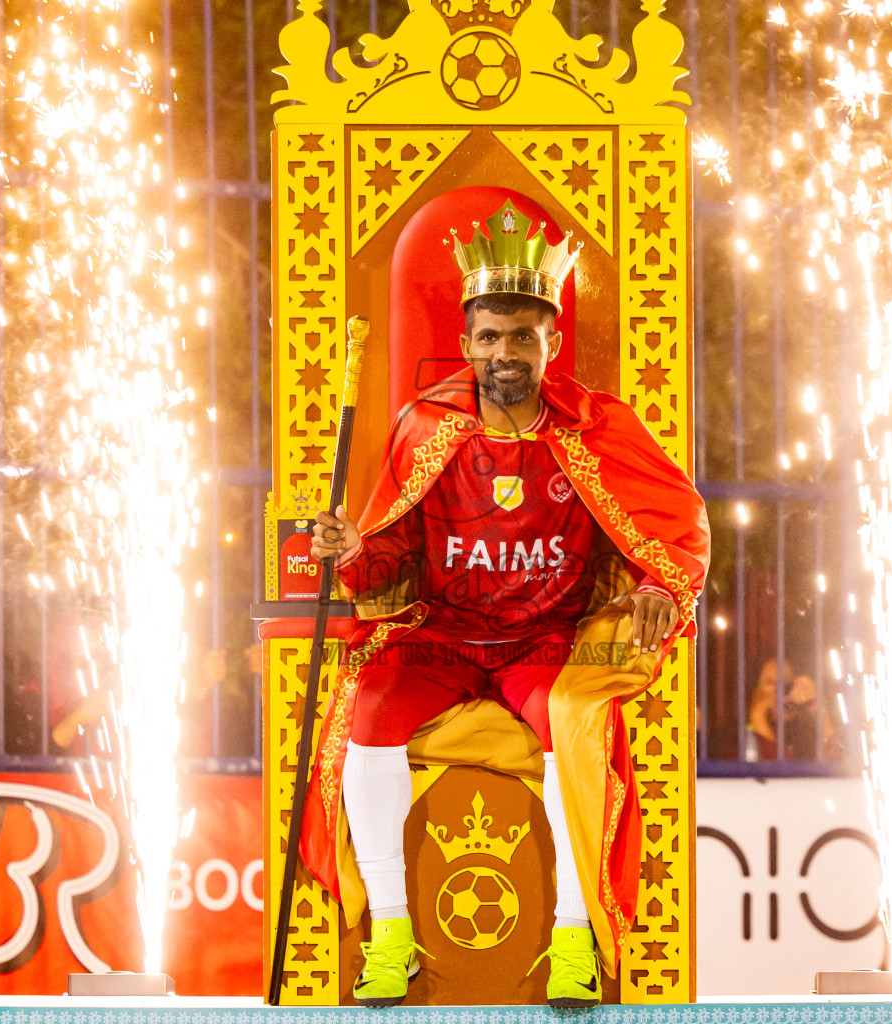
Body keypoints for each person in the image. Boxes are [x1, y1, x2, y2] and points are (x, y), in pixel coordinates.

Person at [302, 201, 709, 1008]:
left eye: (523, 336)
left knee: (571, 718)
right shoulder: (427, 428)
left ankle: (572, 937)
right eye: (490, 337)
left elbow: (675, 524)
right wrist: (352, 552)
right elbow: (393, 558)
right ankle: (389, 931)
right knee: (367, 709)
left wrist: (663, 587)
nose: (505, 352)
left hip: (548, 639)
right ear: (466, 344)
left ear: (551, 342)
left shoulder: (595, 428)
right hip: (445, 636)